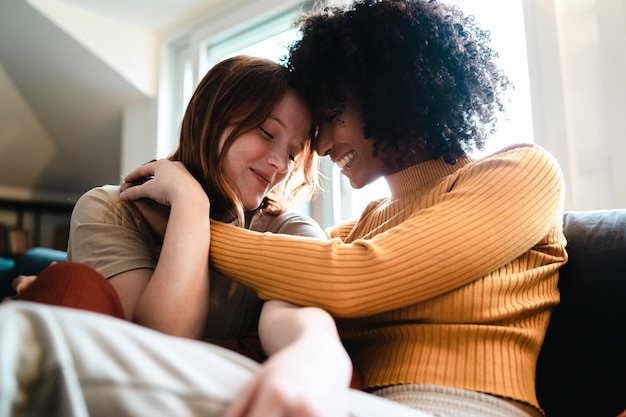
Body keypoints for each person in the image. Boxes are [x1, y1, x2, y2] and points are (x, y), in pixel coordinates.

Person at [130, 1, 567, 416]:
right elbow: (302, 278)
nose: (318, 147)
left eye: (333, 116)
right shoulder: (357, 228)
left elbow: (354, 277)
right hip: (348, 403)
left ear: (393, 96)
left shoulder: (521, 172)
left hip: (462, 405)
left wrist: (190, 213)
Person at [2, 55, 354, 417]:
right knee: (67, 284)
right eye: (266, 133)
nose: (280, 164)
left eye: (294, 155)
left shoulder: (289, 230)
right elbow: (158, 346)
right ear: (206, 116)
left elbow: (299, 321)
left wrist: (316, 353)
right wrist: (190, 206)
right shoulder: (111, 208)